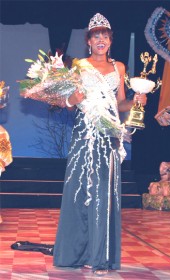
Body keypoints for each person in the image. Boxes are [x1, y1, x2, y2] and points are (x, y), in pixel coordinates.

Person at [53, 13, 147, 276]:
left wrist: (137, 102)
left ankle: (101, 258)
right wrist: (74, 97)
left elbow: (119, 105)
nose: (101, 40)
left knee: (104, 196)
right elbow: (67, 103)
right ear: (89, 41)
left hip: (108, 138)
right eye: (96, 36)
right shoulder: (79, 66)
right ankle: (75, 254)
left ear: (110, 40)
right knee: (79, 192)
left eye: (105, 36)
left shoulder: (119, 68)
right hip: (84, 135)